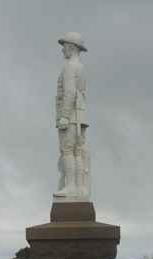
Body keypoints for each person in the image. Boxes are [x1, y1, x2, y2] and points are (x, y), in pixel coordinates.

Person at [54, 32, 90, 199]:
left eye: (64, 47)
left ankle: (70, 187)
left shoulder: (69, 67)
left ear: (71, 47)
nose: (63, 51)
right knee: (77, 151)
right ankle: (79, 188)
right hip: (81, 116)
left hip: (71, 115)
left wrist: (64, 116)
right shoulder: (81, 67)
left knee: (67, 150)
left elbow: (69, 92)